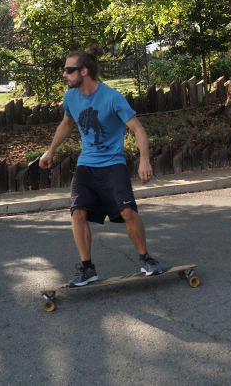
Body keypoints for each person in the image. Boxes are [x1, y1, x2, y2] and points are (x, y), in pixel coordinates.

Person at [40, 45, 163, 287]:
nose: (64, 74)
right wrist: (50, 150)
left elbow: (138, 128)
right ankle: (87, 269)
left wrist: (144, 160)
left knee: (128, 212)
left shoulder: (112, 97)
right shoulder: (70, 98)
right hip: (86, 164)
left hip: (113, 163)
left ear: (83, 71)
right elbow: (66, 125)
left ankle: (146, 259)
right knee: (78, 212)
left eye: (68, 70)